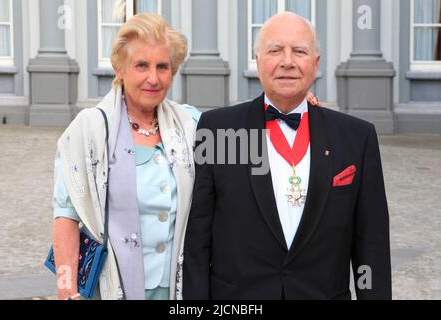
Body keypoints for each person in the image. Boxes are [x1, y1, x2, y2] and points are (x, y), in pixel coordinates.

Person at [183, 12, 392, 300]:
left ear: (315, 64)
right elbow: (197, 240)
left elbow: (372, 246)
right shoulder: (218, 130)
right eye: (275, 50)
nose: (288, 62)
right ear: (258, 61)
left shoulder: (357, 137)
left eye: (300, 51)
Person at [51, 13, 201, 300]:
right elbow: (65, 218)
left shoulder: (191, 123)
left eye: (163, 67)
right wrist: (66, 292)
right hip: (110, 289)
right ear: (119, 69)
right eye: (141, 65)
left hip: (179, 291)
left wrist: (301, 107)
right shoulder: (89, 129)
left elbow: (246, 133)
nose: (153, 78)